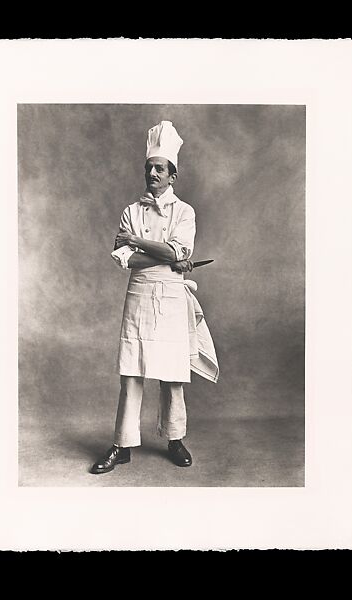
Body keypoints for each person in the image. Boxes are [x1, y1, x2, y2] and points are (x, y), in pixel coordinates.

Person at [90, 121, 219, 475]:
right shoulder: (131, 211)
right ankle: (122, 443)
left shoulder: (185, 212)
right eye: (149, 168)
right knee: (131, 372)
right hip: (139, 295)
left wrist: (137, 242)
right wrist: (167, 255)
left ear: (172, 176)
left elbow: (175, 249)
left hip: (172, 299)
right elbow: (126, 261)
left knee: (171, 374)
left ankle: (174, 439)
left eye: (159, 168)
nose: (152, 173)